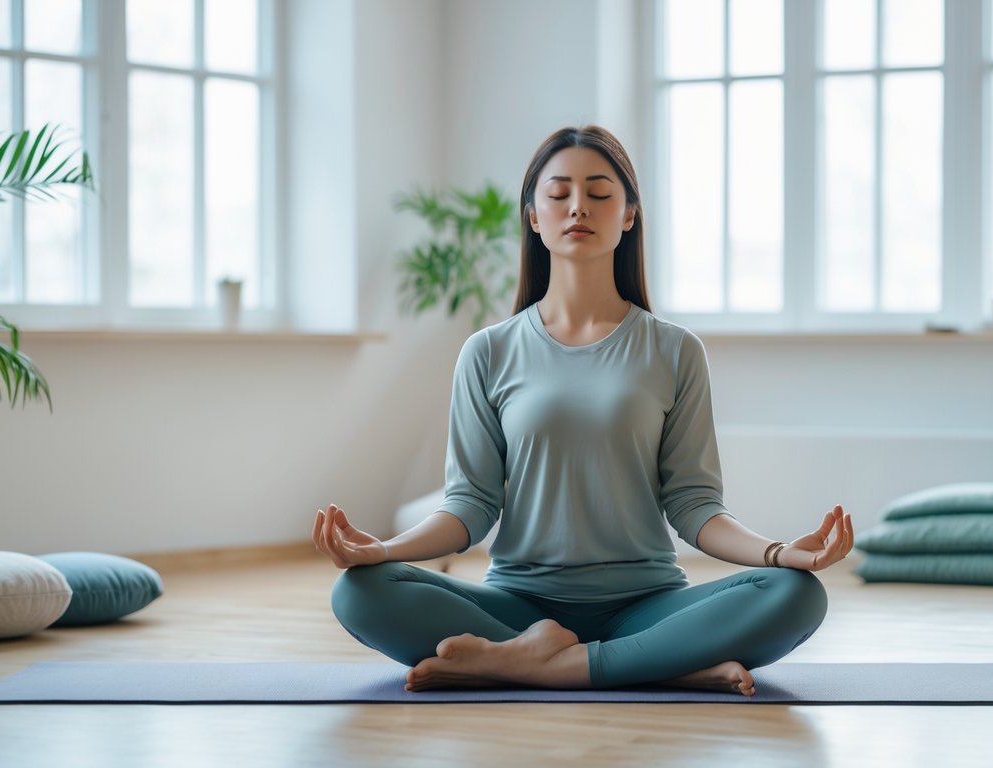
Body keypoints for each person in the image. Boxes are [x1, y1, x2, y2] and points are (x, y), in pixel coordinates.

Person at [313, 125, 853, 696]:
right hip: (516, 610)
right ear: (532, 216)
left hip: (648, 605)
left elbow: (694, 506)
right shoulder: (488, 351)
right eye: (559, 193)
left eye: (599, 193)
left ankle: (525, 665)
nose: (578, 208)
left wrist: (778, 552)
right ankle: (659, 666)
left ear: (628, 216)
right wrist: (381, 551)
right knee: (358, 590)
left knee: (795, 593)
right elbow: (469, 506)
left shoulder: (674, 350)